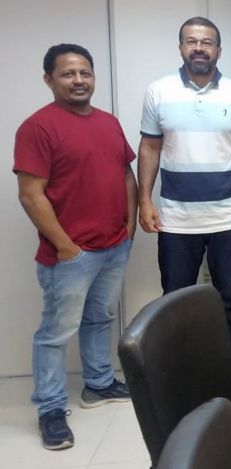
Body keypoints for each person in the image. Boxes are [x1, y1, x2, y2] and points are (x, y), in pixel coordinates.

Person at [14, 44, 136, 450]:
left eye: (85, 72)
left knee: (100, 319)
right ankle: (50, 408)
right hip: (70, 255)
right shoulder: (38, 127)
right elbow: (31, 195)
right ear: (49, 79)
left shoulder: (109, 122)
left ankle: (98, 385)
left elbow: (125, 175)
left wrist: (129, 227)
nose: (79, 80)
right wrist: (67, 247)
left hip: (114, 245)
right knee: (55, 332)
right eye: (68, 74)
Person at [138, 17, 231, 368]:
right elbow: (148, 148)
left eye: (206, 42)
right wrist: (144, 200)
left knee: (230, 298)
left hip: (230, 217)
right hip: (176, 219)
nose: (199, 48)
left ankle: (224, 371)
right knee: (176, 300)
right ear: (180, 48)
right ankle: (181, 372)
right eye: (191, 41)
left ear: (218, 50)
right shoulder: (158, 91)